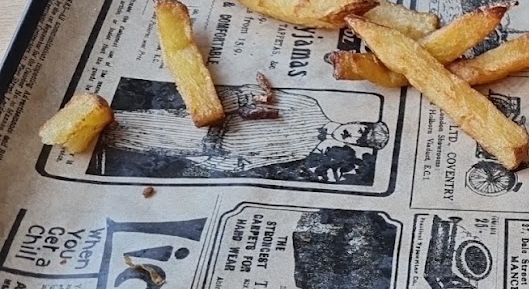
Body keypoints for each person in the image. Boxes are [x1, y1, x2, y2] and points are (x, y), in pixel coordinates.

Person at [100, 84, 388, 175]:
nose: (354, 134)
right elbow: (250, 95)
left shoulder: (303, 150)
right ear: (358, 122)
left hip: (199, 147)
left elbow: (246, 163)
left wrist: (207, 158)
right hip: (199, 123)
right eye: (361, 129)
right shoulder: (308, 106)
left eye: (360, 140)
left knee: (135, 143)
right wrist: (215, 112)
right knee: (129, 123)